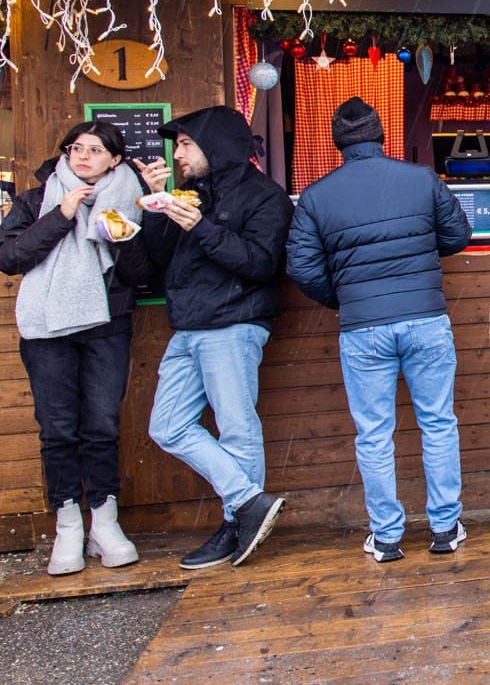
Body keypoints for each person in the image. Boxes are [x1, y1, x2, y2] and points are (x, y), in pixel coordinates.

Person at [286, 97, 472, 562]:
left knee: (373, 433)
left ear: (337, 143)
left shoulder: (316, 195)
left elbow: (302, 268)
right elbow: (457, 235)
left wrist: (347, 295)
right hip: (426, 318)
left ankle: (387, 537)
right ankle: (445, 529)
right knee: (438, 424)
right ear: (381, 135)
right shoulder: (421, 179)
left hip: (363, 328)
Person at [136, 106, 293, 568]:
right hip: (187, 325)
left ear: (215, 145)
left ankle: (235, 524)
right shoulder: (189, 193)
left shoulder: (265, 197)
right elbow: (158, 257)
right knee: (166, 426)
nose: (177, 154)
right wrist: (159, 201)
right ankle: (247, 501)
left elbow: (261, 264)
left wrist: (200, 227)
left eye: (185, 144)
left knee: (237, 429)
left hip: (233, 324)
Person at [0, 121, 149, 575]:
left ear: (115, 160)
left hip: (107, 323)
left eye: (96, 150)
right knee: (59, 428)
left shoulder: (131, 200)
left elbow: (146, 274)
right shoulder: (35, 198)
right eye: (76, 148)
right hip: (47, 328)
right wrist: (60, 217)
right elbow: (9, 258)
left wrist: (126, 238)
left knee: (101, 425)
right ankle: (68, 525)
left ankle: (105, 522)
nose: (84, 157)